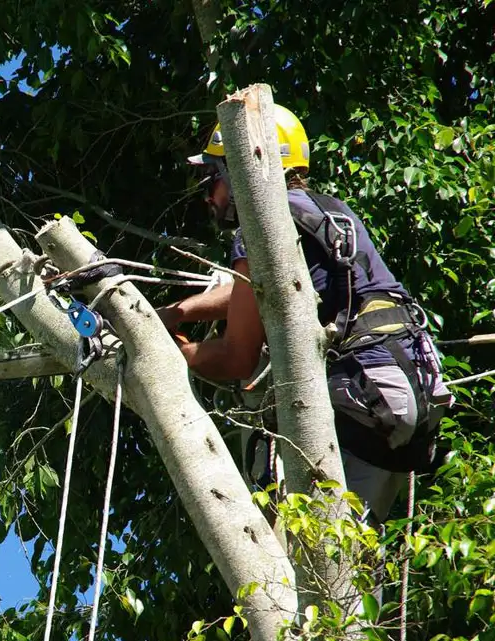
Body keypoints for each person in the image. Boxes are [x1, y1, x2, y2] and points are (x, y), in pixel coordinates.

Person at [159, 104, 451, 524]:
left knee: (309, 544)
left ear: (239, 170)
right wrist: (179, 311)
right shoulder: (327, 210)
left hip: (362, 398)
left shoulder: (260, 229)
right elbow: (256, 293)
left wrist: (169, 349)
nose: (208, 195)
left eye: (212, 178)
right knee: (349, 554)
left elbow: (236, 357)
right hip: (409, 392)